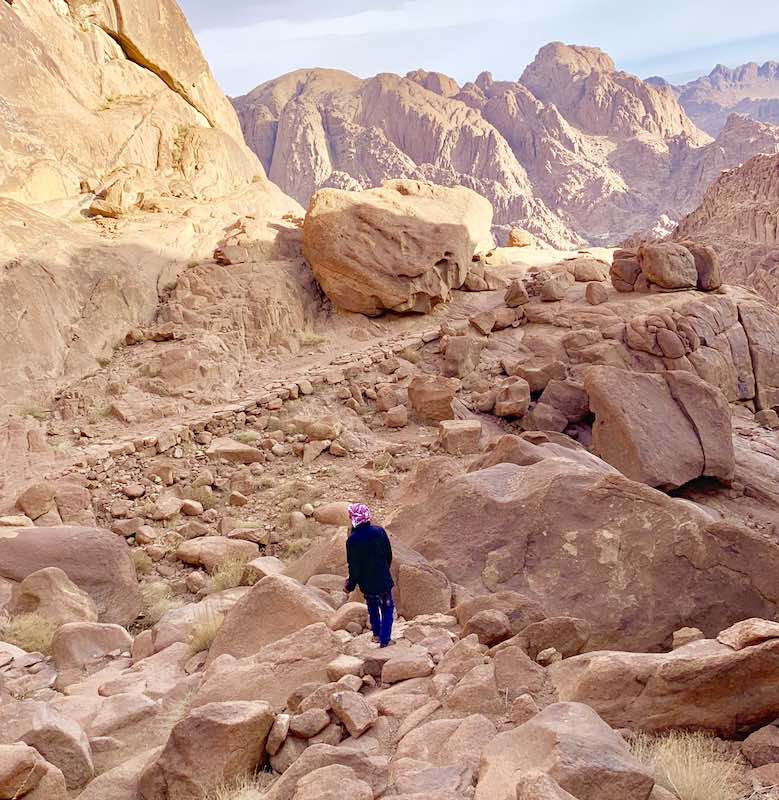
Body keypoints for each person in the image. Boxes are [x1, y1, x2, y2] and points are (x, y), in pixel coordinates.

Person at [343, 503, 394, 647]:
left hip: (367, 583)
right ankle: (386, 640)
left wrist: (350, 585)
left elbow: (354, 568)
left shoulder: (351, 540)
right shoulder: (379, 532)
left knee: (372, 607)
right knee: (387, 609)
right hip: (383, 579)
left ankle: (376, 635)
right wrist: (384, 569)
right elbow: (388, 555)